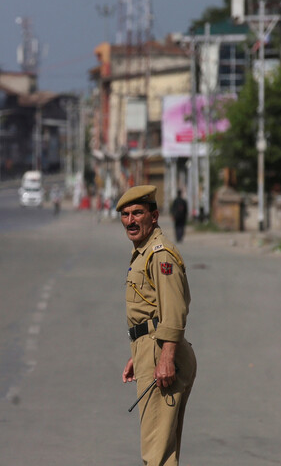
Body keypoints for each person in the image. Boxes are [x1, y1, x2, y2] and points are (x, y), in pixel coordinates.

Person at [117, 185, 197, 466]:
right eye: (125, 215)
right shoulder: (144, 251)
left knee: (157, 454)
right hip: (151, 350)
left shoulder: (160, 254)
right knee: (162, 448)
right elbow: (150, 310)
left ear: (154, 216)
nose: (131, 220)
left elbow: (173, 312)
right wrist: (138, 355)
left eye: (138, 213)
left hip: (163, 353)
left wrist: (164, 358)